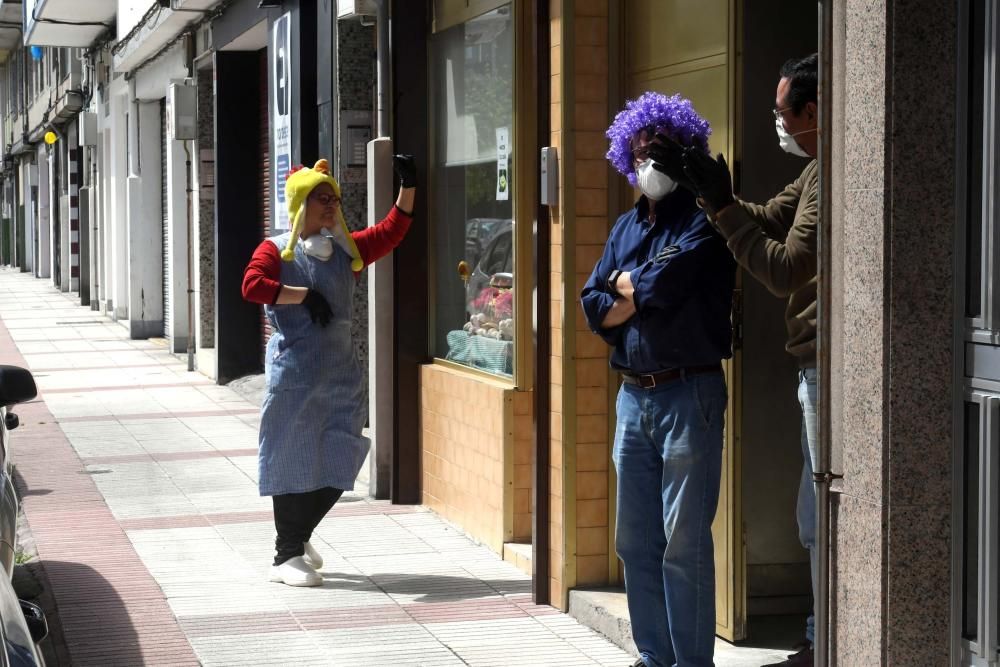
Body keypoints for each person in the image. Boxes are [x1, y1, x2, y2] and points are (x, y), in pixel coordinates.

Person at [580, 92, 736, 667]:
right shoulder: (625, 224)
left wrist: (628, 289)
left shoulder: (704, 220)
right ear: (627, 154)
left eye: (663, 151)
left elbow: (661, 288)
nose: (650, 164)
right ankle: (653, 657)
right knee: (635, 544)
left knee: (683, 545)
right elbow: (591, 303)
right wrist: (630, 290)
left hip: (688, 393)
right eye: (641, 151)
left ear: (686, 151)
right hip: (633, 398)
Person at [676, 53, 819, 667]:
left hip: (829, 370)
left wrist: (726, 213)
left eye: (783, 112)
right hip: (814, 368)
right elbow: (762, 219)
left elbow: (786, 267)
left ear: (812, 112)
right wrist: (717, 198)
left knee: (819, 518)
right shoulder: (815, 171)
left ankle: (827, 638)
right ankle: (822, 634)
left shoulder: (833, 173)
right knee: (811, 514)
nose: (777, 124)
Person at [242, 154, 417, 587]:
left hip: (341, 376)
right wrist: (300, 295)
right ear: (301, 203)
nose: (331, 206)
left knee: (342, 457)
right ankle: (286, 554)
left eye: (334, 199)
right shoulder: (273, 249)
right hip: (295, 377)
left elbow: (390, 232)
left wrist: (408, 188)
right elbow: (251, 285)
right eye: (322, 198)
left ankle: (298, 537)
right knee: (289, 458)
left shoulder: (345, 251)